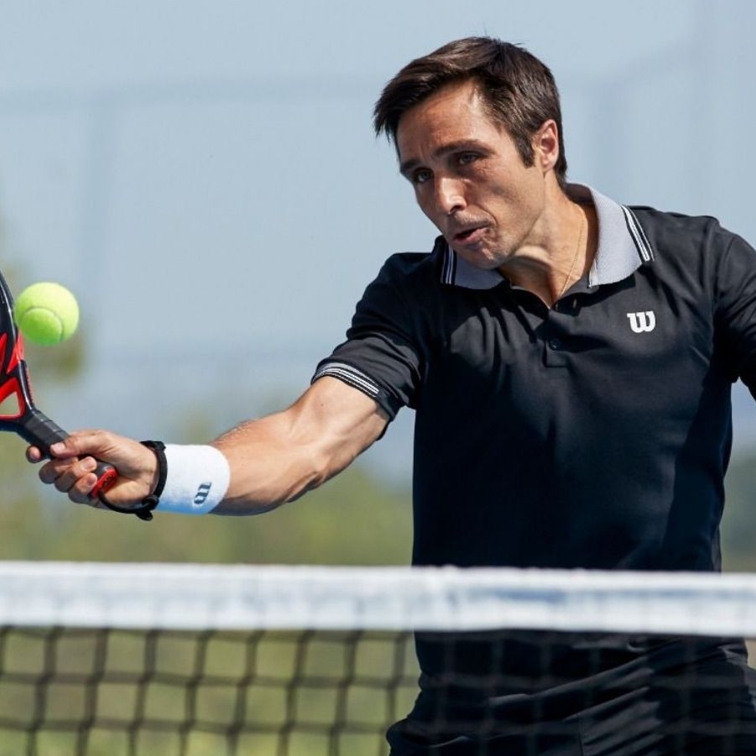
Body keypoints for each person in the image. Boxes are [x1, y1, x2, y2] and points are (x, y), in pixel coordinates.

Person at [28, 37, 756, 755]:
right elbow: (307, 441)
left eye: (466, 160)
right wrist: (165, 472)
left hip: (680, 700)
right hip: (480, 715)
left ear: (544, 143)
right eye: (418, 175)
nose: (444, 199)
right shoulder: (416, 299)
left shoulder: (701, 265)